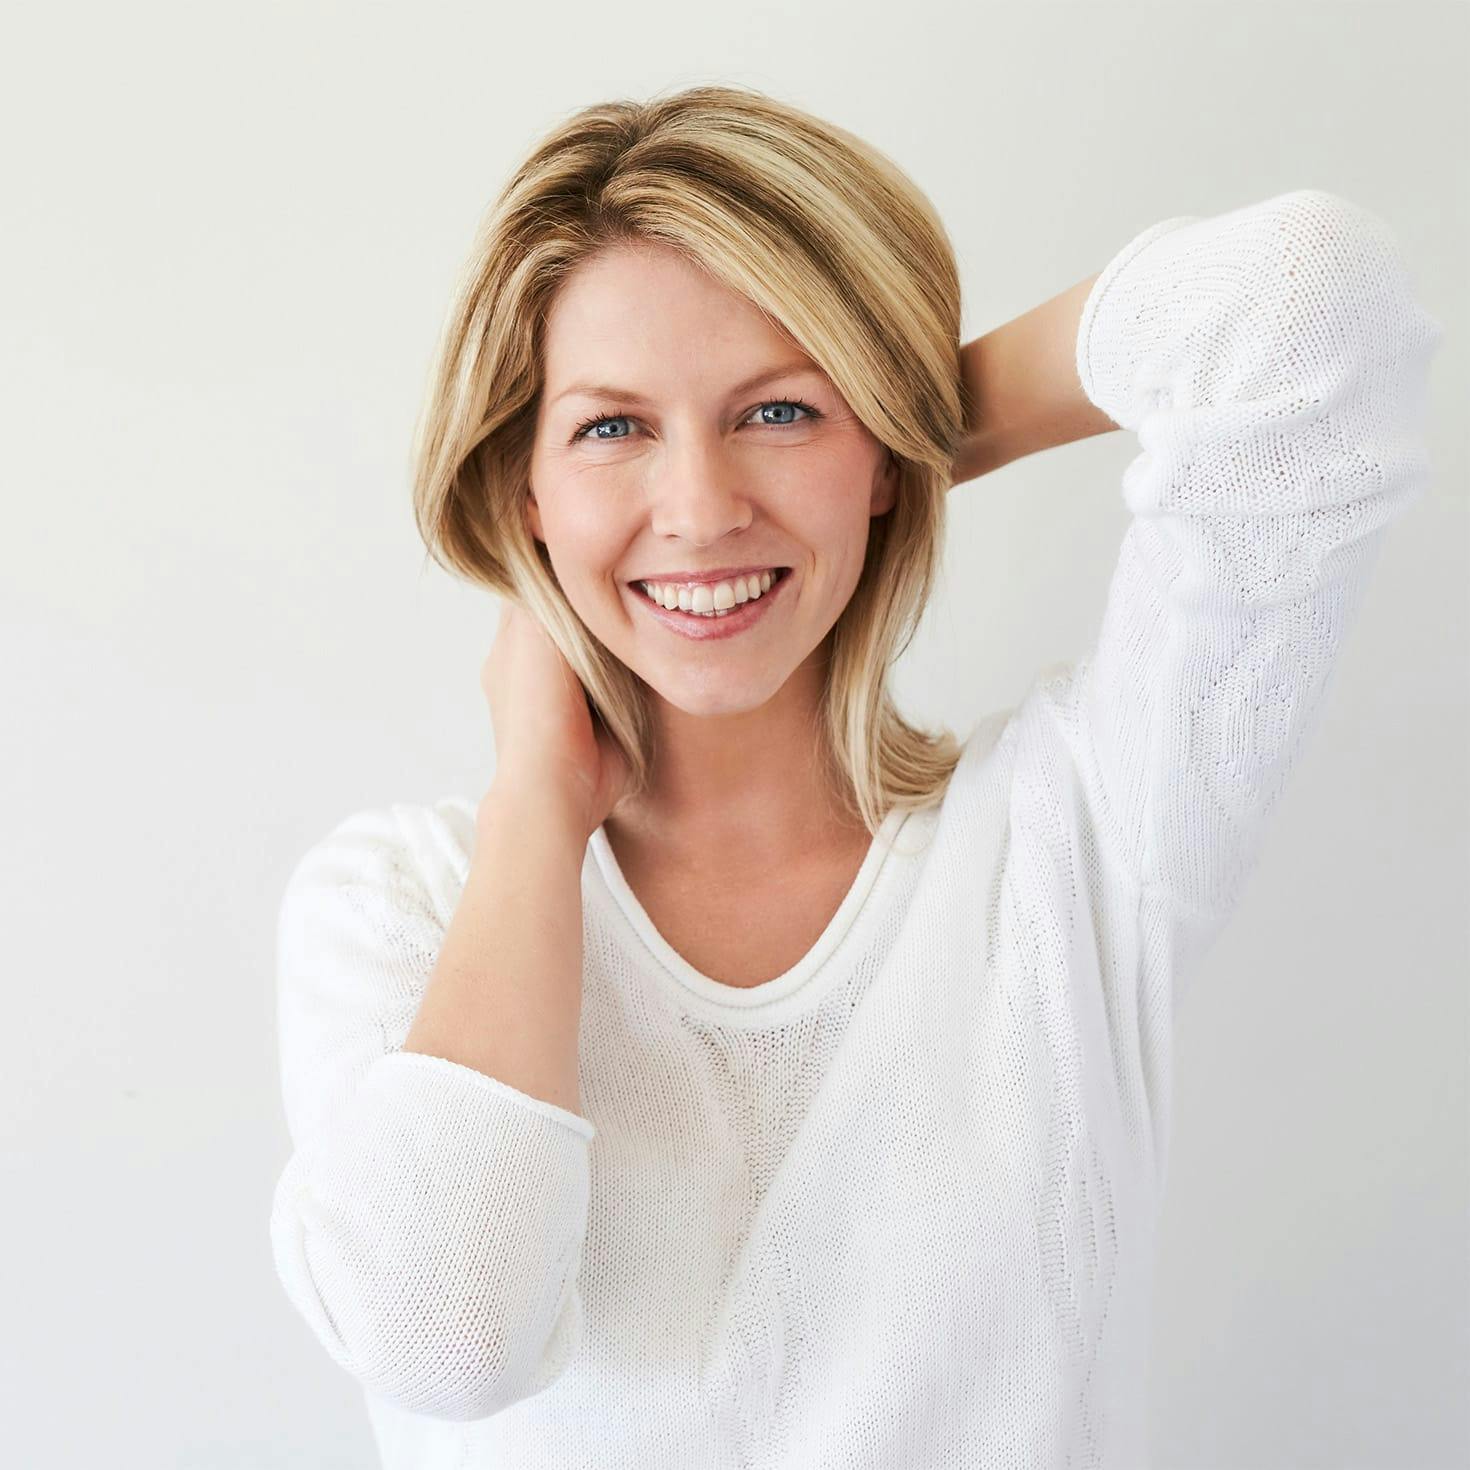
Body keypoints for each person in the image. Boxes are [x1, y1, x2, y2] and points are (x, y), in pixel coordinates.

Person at [268, 84, 1443, 1468]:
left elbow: (1311, 303)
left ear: (885, 449)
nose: (700, 508)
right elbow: (445, 1336)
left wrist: (908, 426)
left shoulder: (1067, 850)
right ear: (521, 486)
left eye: (774, 410)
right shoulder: (389, 907)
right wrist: (537, 794)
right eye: (608, 428)